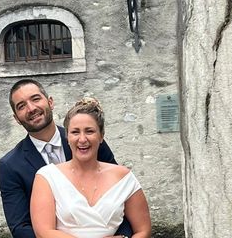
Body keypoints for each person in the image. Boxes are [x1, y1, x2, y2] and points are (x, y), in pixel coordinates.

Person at [0, 79, 133, 238]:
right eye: (21, 106)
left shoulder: (88, 141)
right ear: (16, 118)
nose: (31, 108)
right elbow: (21, 228)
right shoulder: (10, 165)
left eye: (35, 99)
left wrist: (123, 236)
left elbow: (119, 195)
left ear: (50, 102)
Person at [31, 98, 151, 238]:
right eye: (75, 132)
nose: (82, 139)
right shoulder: (47, 177)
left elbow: (144, 230)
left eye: (89, 131)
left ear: (101, 136)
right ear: (67, 138)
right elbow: (44, 232)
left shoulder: (124, 177)